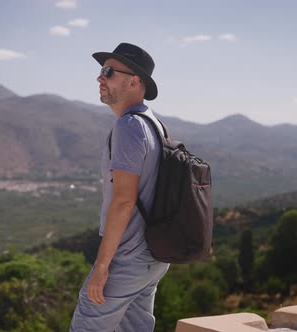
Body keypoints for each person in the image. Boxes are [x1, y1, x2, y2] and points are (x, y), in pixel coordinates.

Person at [69, 42, 170, 331]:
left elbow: (124, 201)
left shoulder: (129, 126)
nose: (100, 77)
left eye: (109, 72)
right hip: (153, 257)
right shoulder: (154, 124)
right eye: (101, 71)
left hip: (126, 259)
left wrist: (102, 267)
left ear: (135, 81)